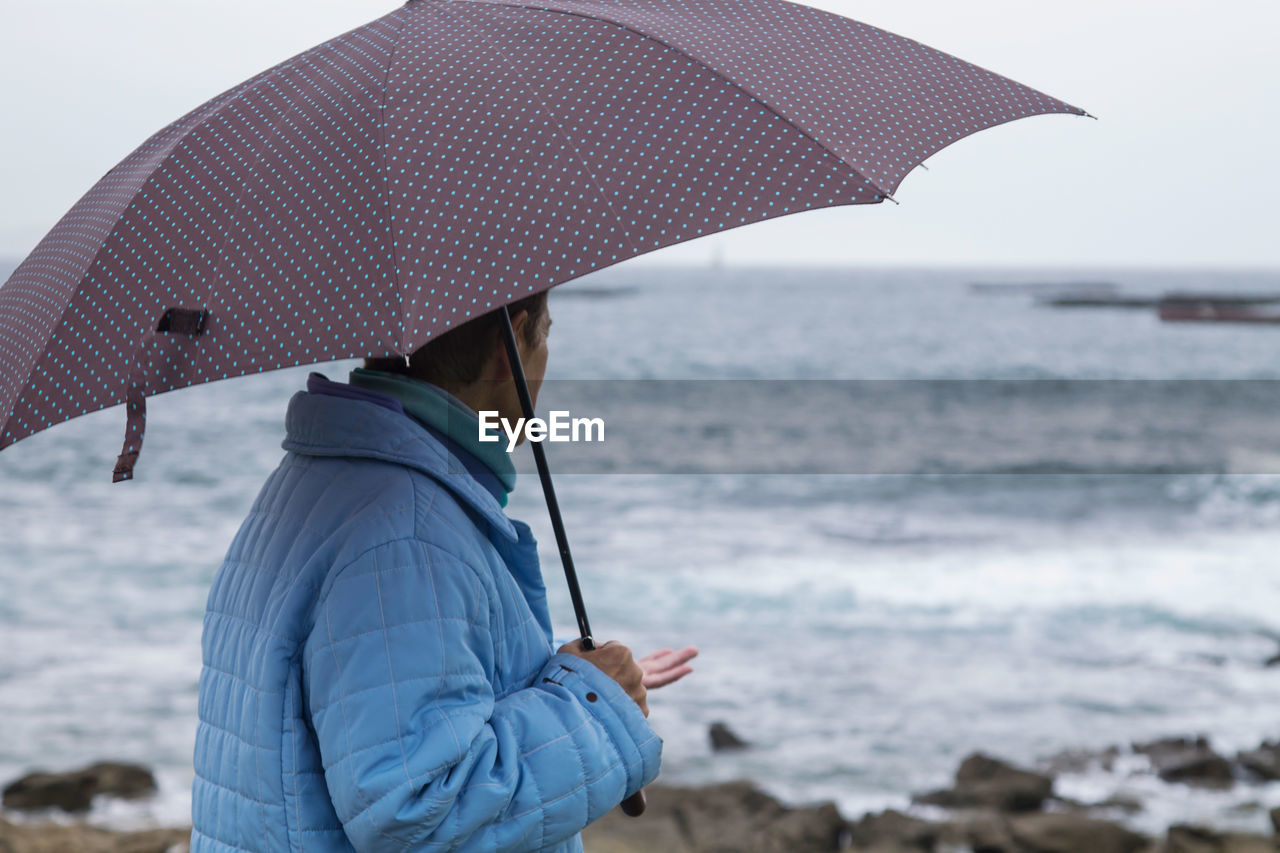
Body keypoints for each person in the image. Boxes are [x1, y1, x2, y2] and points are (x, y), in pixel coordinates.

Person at [191, 291, 697, 852]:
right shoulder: (405, 527)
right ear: (510, 348)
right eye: (545, 334)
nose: (546, 357)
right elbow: (419, 813)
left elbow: (390, 670)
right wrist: (589, 707)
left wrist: (569, 678)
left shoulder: (320, 480)